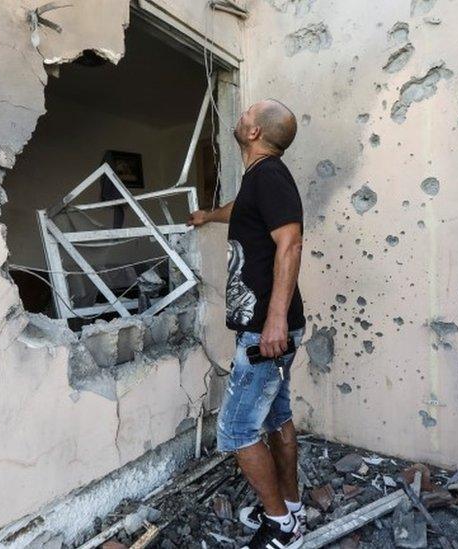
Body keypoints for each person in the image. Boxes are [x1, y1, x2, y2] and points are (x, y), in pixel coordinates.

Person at [188, 99, 306, 549]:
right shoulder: (260, 180)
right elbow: (243, 208)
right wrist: (209, 215)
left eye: (246, 115)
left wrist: (274, 320)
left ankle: (280, 527)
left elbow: (290, 242)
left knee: (236, 430)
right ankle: (291, 508)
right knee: (277, 416)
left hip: (266, 331)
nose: (240, 117)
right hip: (269, 329)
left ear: (255, 133)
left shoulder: (271, 175)